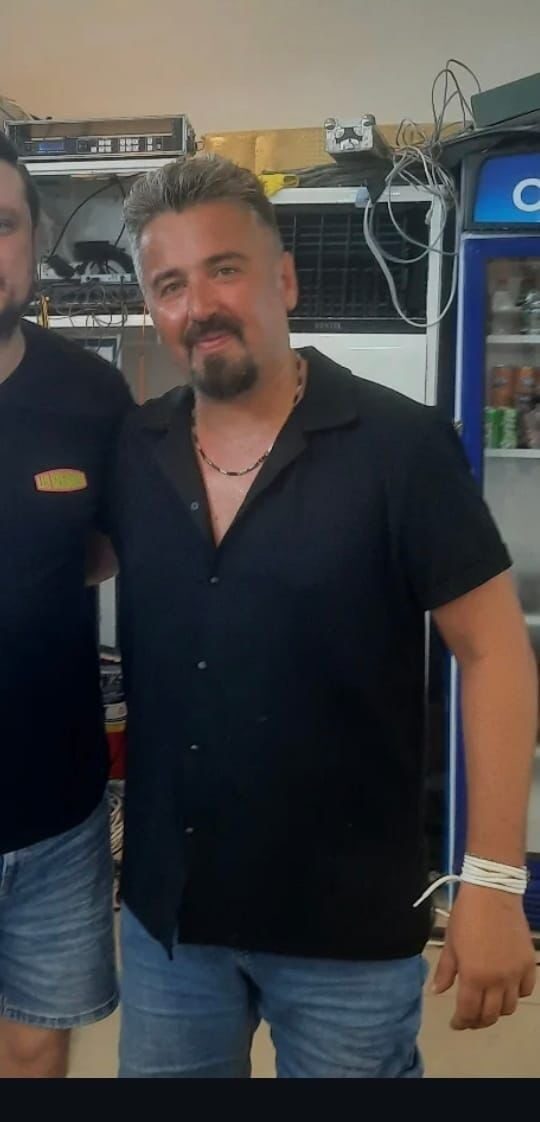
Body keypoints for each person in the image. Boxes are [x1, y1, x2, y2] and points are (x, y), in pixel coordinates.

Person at [111, 154, 537, 1079]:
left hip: (348, 932)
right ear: (152, 307)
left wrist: (495, 879)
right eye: (170, 285)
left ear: (285, 280)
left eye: (224, 269)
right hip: (172, 925)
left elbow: (495, 653)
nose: (199, 306)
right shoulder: (133, 448)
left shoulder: (401, 445)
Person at [0, 134, 132, 1078]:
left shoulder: (91, 394)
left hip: (56, 813)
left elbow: (104, 549)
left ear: (36, 238)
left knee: (38, 1052)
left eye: (0, 224)